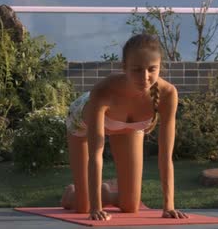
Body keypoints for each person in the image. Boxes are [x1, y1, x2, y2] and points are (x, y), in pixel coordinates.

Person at [61, 33, 188, 221]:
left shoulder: (168, 94)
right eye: (136, 70)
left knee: (130, 207)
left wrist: (168, 206)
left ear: (160, 66)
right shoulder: (104, 90)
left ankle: (106, 192)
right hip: (83, 125)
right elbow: (96, 154)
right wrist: (95, 208)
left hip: (127, 127)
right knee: (83, 206)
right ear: (124, 67)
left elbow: (165, 156)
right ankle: (75, 192)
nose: (145, 77)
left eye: (152, 69)